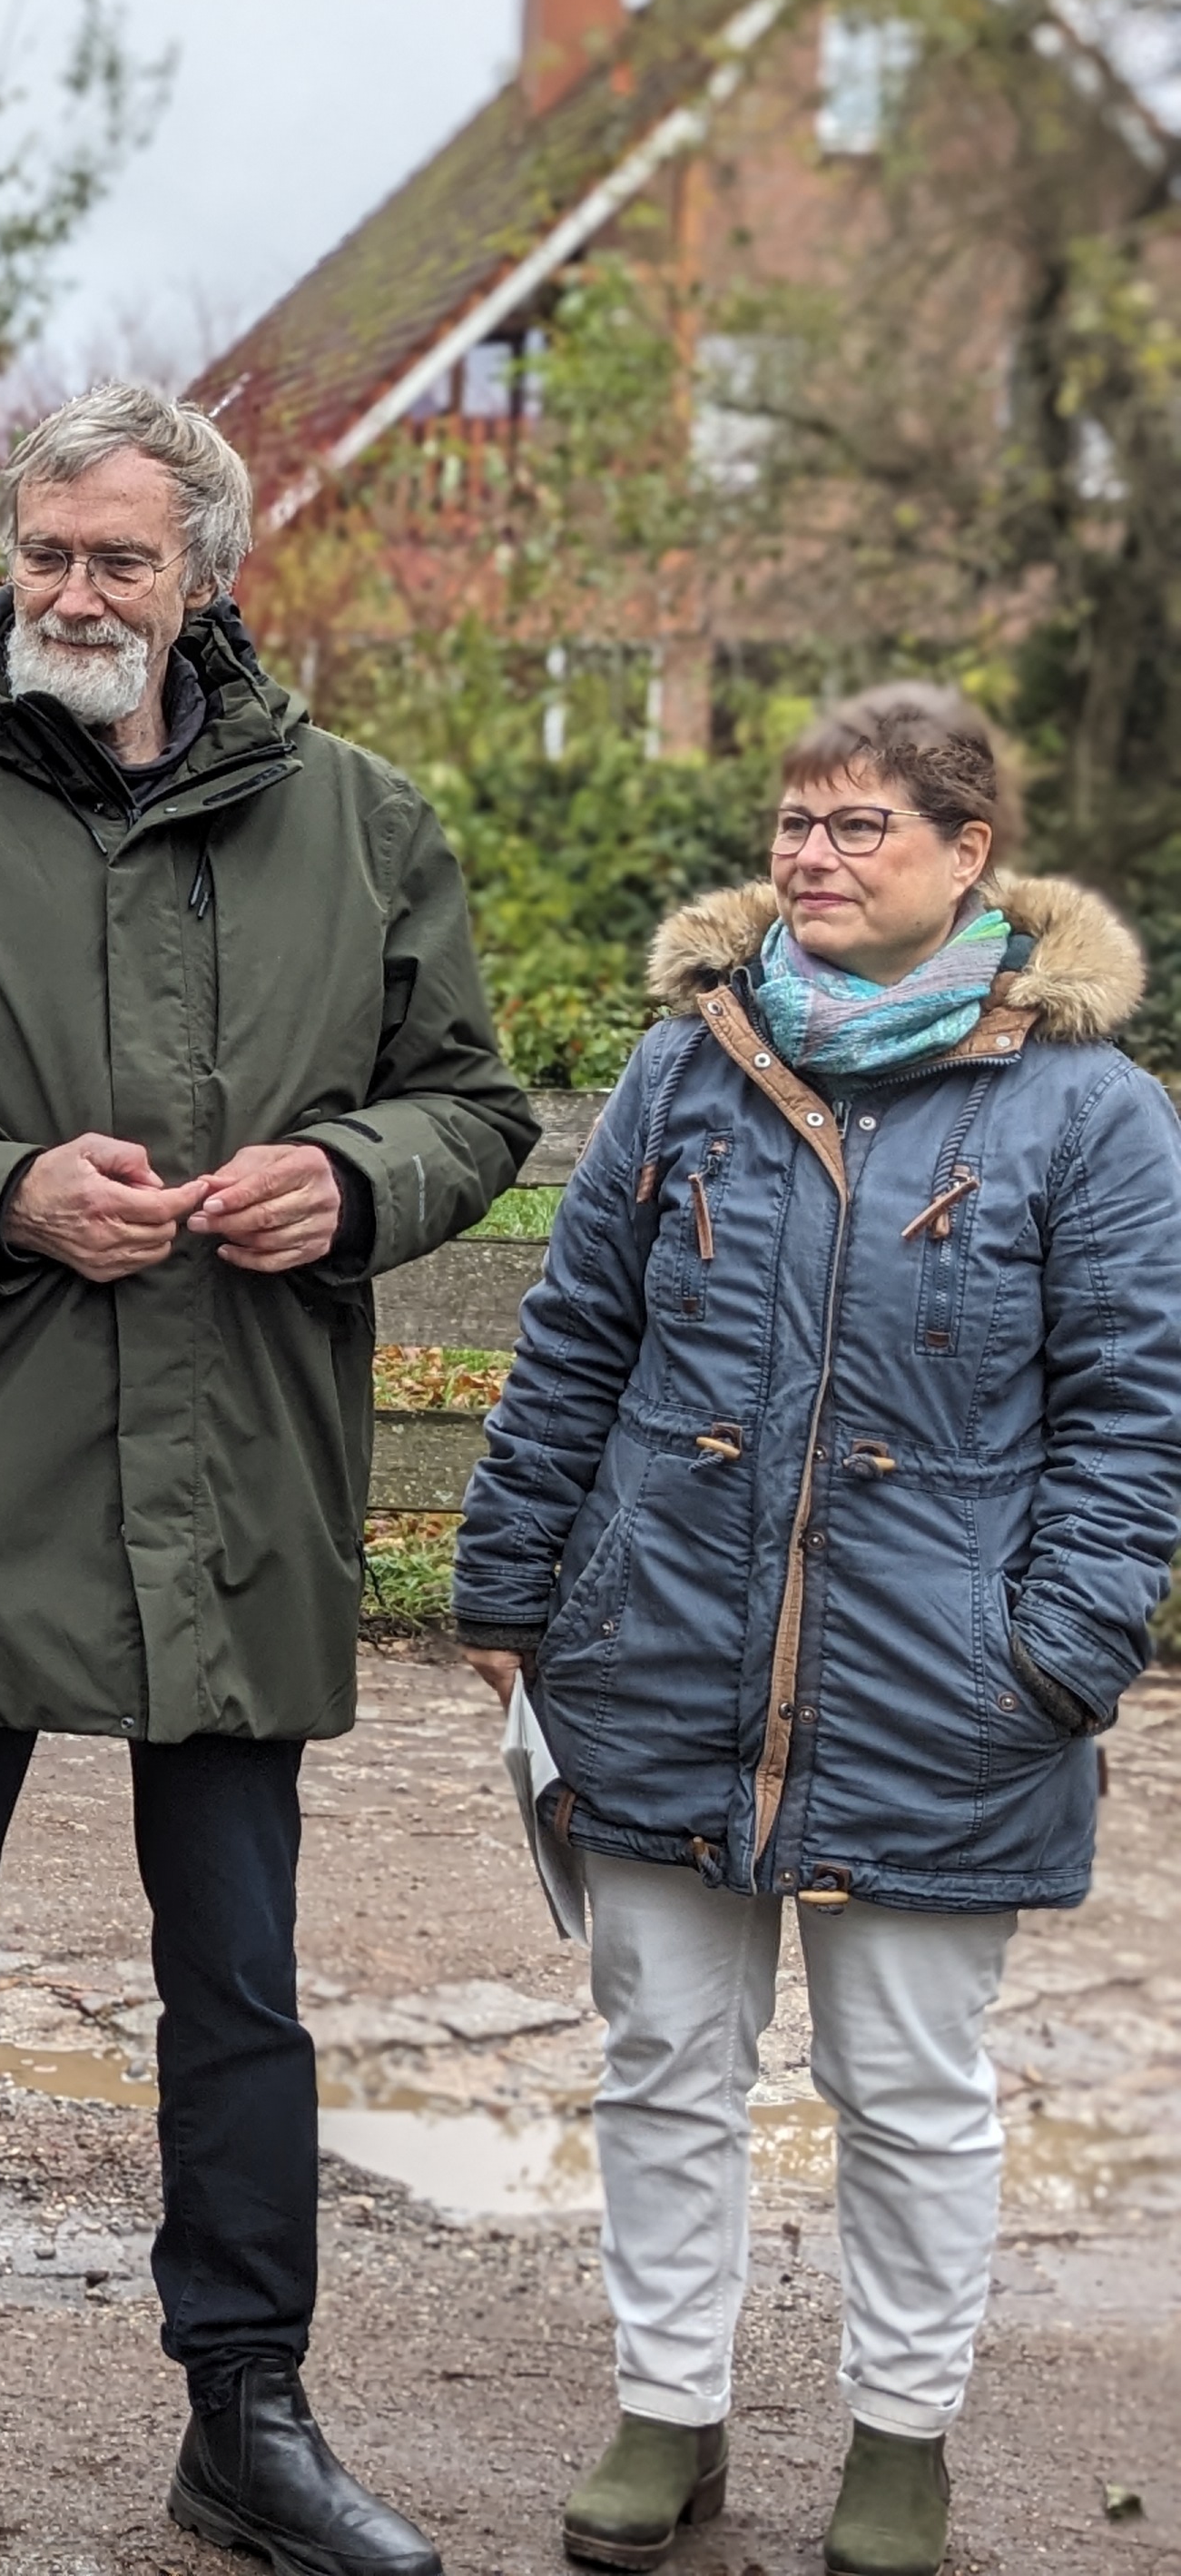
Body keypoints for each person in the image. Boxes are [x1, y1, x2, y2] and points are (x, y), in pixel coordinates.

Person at [0, 380, 538, 2576]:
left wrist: (348, 1182)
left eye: (123, 560)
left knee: (241, 1992)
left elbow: (471, 1103)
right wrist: (3, 1196)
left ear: (208, 575)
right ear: (12, 556)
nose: (78, 593)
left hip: (235, 1472)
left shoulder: (360, 823)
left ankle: (247, 2421)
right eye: (49, 553)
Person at [454, 686, 1181, 2576]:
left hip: (943, 1693)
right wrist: (518, 1590)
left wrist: (1058, 1657)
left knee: (911, 2093)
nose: (814, 857)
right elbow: (573, 1352)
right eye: (795, 822)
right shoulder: (684, 1071)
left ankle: (900, 2444)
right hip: (663, 1656)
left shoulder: (1087, 1109)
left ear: (966, 859)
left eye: (862, 828)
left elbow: (1131, 1410)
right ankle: (666, 2414)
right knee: (663, 2056)